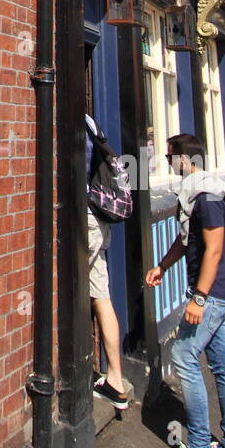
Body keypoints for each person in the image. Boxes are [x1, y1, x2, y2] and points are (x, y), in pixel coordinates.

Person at [145, 132, 225, 448]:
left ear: (186, 160)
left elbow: (215, 249)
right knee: (222, 366)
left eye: (171, 157)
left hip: (212, 295)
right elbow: (187, 238)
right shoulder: (201, 192)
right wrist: (162, 266)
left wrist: (200, 298)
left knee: (183, 357)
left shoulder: (207, 196)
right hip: (214, 293)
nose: (169, 164)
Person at [86, 114, 128, 411]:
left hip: (86, 219)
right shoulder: (91, 122)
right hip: (101, 219)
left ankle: (73, 371)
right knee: (101, 296)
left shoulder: (73, 121)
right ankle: (116, 379)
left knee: (70, 288)